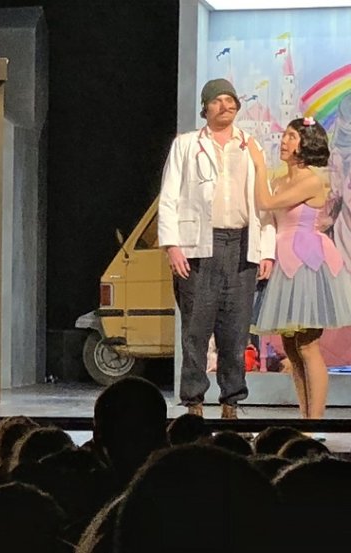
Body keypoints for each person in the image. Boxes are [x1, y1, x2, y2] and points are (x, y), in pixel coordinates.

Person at [159, 78, 276, 419]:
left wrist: (266, 249)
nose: (225, 105)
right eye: (217, 100)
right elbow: (169, 197)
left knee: (236, 330)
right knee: (196, 329)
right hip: (199, 246)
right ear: (205, 107)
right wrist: (172, 246)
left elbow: (263, 201)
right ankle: (194, 402)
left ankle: (231, 402)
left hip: (240, 244)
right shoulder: (186, 145)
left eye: (230, 100)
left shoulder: (250, 145)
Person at [249, 117, 351, 419]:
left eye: (292, 136)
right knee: (291, 349)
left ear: (305, 144)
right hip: (283, 259)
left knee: (307, 345)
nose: (285, 141)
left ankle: (316, 422)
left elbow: (265, 202)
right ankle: (305, 416)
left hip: (307, 261)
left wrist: (258, 164)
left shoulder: (311, 180)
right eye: (285, 135)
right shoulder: (281, 180)